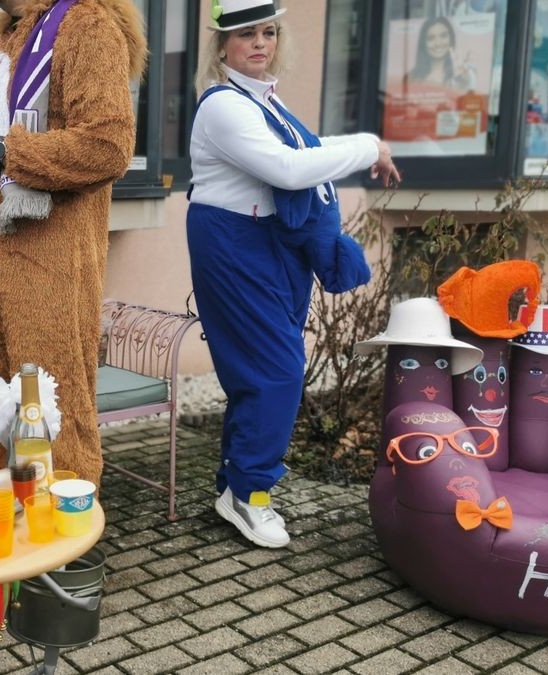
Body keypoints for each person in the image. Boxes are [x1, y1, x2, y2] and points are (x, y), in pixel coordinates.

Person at [187, 0, 401, 549]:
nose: (259, 43)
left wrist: (365, 146)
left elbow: (305, 150)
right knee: (278, 371)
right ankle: (250, 496)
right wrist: (367, 146)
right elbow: (287, 167)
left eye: (268, 32)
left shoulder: (264, 101)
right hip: (235, 243)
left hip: (267, 243)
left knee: (257, 373)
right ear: (222, 46)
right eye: (245, 35)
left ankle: (233, 485)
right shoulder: (223, 105)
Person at [0, 0, 147, 486]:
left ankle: (67, 544)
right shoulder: (12, 37)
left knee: (53, 407)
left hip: (47, 261)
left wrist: (2, 148)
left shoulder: (85, 24)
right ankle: (9, 531)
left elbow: (108, 146)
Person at [406, 16, 477, 91]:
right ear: (423, 43)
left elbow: (467, 89)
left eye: (443, 36)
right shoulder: (411, 77)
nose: (438, 43)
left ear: (451, 39)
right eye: (431, 38)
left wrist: (462, 78)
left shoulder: (465, 73)